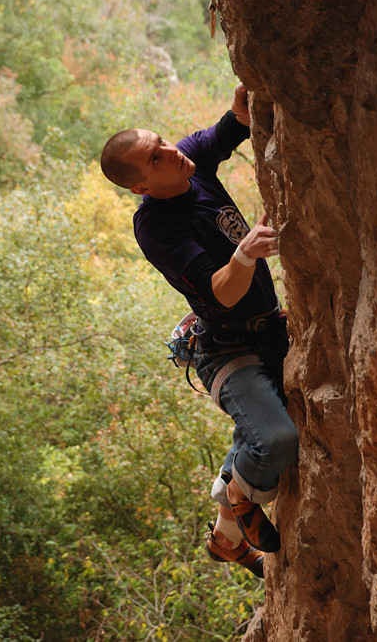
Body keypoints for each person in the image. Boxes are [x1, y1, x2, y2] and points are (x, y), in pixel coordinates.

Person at [100, 84, 299, 578]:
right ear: (142, 187)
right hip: (227, 349)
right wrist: (244, 253)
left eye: (162, 141)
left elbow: (231, 127)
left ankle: (226, 540)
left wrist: (244, 101)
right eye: (155, 157)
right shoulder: (155, 227)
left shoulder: (187, 162)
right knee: (274, 441)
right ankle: (238, 493)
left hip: (268, 330)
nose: (171, 151)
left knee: (254, 432)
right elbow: (221, 292)